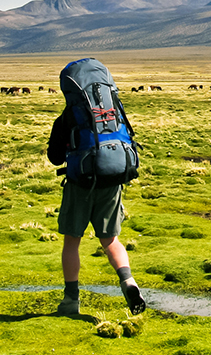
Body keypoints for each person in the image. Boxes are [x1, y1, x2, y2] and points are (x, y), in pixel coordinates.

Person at [48, 96, 146, 316]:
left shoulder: (68, 116)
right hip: (111, 183)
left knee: (72, 241)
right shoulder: (113, 112)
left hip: (79, 184)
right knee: (110, 240)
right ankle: (128, 281)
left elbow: (54, 158)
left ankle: (71, 300)